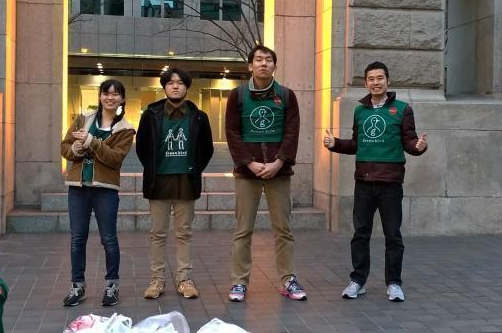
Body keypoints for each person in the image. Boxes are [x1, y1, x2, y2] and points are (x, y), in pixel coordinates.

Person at [323, 61, 428, 302]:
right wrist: (336, 144)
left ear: (387, 81)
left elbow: (409, 142)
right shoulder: (360, 111)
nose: (375, 82)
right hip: (364, 182)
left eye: (380, 78)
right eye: (371, 79)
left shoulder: (402, 109)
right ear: (366, 82)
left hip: (391, 183)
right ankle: (358, 281)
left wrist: (419, 147)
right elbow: (356, 144)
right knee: (360, 233)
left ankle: (394, 283)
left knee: (393, 235)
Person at [225, 45, 305, 302]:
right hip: (247, 172)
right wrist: (249, 162)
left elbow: (292, 132)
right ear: (250, 66)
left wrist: (279, 162)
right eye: (258, 60)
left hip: (278, 172)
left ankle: (288, 279)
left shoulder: (287, 95)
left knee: (283, 229)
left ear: (274, 66)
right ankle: (239, 282)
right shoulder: (237, 96)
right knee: (243, 230)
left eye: (268, 60)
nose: (263, 64)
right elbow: (232, 133)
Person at [135, 68, 214, 300]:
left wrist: (194, 169)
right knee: (158, 233)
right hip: (159, 182)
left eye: (180, 83)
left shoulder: (198, 116)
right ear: (164, 87)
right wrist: (153, 169)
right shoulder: (151, 115)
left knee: (184, 233)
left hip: (185, 181)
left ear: (187, 87)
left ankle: (184, 280)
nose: (175, 86)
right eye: (171, 83)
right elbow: (142, 147)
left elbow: (206, 149)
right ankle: (157, 280)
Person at [60, 79, 135, 307]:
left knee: (109, 239)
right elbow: (64, 147)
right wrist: (75, 148)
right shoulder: (83, 118)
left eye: (115, 94)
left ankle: (112, 286)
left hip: (105, 190)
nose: (109, 98)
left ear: (122, 99)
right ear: (100, 96)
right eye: (105, 93)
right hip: (79, 187)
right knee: (77, 239)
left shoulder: (125, 129)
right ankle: (77, 287)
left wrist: (91, 141)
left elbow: (114, 159)